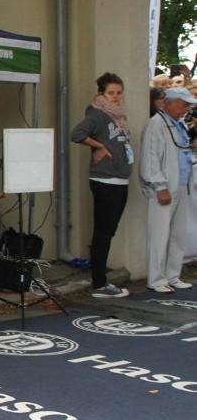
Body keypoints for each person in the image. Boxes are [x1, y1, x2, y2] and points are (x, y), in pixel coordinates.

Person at [70, 72, 133, 298]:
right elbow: (77, 134)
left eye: (118, 93)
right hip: (105, 180)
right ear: (101, 93)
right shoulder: (97, 114)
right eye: (110, 93)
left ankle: (100, 280)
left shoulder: (119, 116)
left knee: (109, 231)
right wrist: (98, 147)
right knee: (103, 233)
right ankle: (99, 283)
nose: (115, 97)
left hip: (119, 179)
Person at [139, 86, 196, 293]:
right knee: (159, 235)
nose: (186, 109)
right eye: (183, 104)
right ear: (169, 103)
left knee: (177, 234)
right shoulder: (156, 125)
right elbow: (150, 159)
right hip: (164, 187)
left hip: (181, 184)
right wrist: (159, 186)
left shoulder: (178, 124)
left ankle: (172, 275)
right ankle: (156, 279)